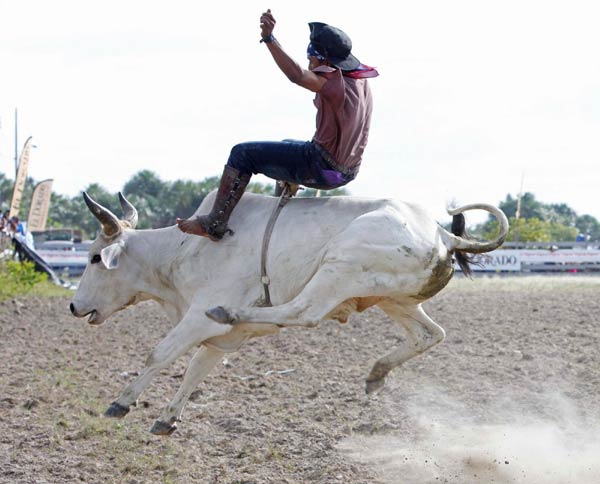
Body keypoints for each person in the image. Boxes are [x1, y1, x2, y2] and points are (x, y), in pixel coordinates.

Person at [177, 9, 378, 241]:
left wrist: (270, 39)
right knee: (287, 145)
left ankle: (214, 223)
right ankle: (283, 211)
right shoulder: (360, 82)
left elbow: (297, 75)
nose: (309, 64)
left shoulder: (333, 84)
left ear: (323, 60)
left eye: (310, 59)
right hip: (347, 172)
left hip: (321, 166)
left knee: (242, 154)